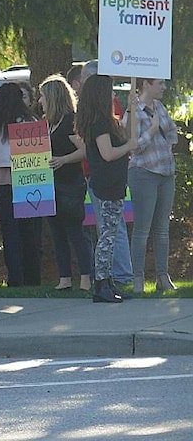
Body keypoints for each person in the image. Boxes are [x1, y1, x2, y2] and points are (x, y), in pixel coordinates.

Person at [76, 75, 138, 303]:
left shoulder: (107, 121)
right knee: (107, 236)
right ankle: (101, 283)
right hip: (105, 185)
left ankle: (108, 280)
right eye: (110, 91)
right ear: (101, 95)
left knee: (110, 234)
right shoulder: (99, 124)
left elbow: (128, 135)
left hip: (114, 183)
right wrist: (129, 147)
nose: (114, 95)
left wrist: (131, 108)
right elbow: (108, 153)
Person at [0, 82, 41, 286]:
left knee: (9, 229)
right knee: (28, 230)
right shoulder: (31, 120)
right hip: (28, 177)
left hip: (2, 179)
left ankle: (15, 277)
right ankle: (33, 277)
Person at [123, 78, 178, 293]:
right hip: (143, 172)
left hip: (166, 172)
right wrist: (152, 132)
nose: (164, 87)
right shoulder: (132, 111)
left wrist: (165, 145)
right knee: (142, 229)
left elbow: (172, 132)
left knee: (162, 228)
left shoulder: (160, 107)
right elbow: (133, 147)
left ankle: (162, 277)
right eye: (160, 83)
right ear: (145, 84)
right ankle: (138, 278)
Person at [39, 75, 92, 292]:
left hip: (70, 184)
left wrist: (63, 160)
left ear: (52, 97)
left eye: (42, 96)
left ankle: (86, 277)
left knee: (75, 232)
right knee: (57, 233)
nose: (39, 101)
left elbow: (85, 150)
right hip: (50, 186)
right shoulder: (49, 123)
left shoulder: (71, 120)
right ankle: (65, 277)